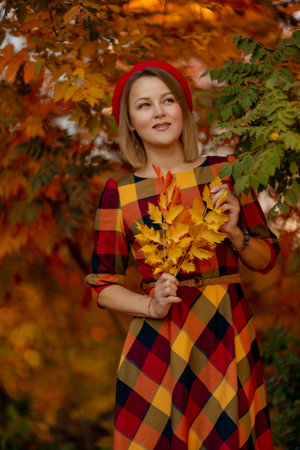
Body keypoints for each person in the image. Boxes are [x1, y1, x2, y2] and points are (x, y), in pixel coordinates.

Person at [85, 60, 280, 449]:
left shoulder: (226, 172)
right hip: (158, 339)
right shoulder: (118, 194)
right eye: (144, 105)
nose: (158, 112)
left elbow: (266, 258)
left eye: (167, 100)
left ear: (183, 110)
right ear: (130, 122)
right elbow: (102, 285)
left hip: (223, 332)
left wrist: (235, 234)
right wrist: (150, 304)